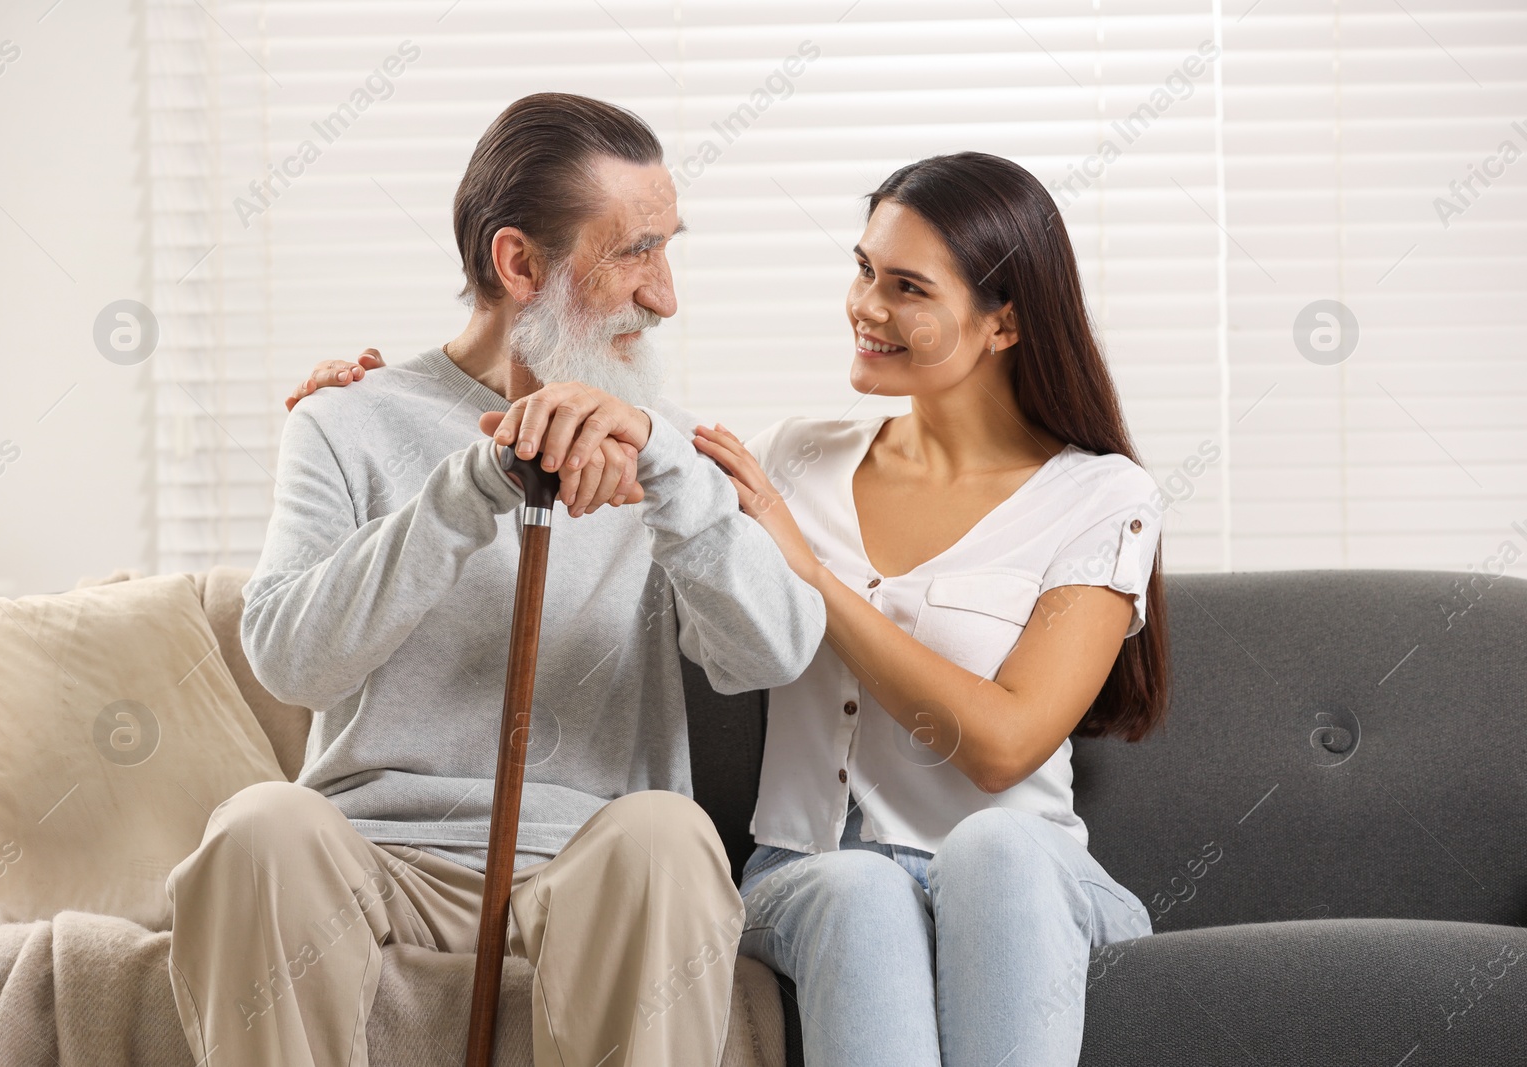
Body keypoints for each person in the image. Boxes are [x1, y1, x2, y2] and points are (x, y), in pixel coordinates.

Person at [298, 151, 1169, 1067]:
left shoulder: (1101, 496)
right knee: (856, 889)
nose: (867, 306)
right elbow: (596, 418)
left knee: (993, 849)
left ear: (1006, 323)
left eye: (907, 286)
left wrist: (810, 571)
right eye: (864, 268)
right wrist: (375, 397)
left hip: (1019, 875)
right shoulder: (786, 457)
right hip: (812, 870)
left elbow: (1003, 747)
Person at [166, 92, 826, 1067]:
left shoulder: (662, 446)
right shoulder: (345, 421)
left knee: (666, 833)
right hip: (375, 852)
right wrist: (466, 489)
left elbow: (772, 647)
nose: (665, 293)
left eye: (666, 247)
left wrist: (667, 470)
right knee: (259, 824)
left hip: (586, 858)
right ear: (519, 263)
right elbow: (289, 661)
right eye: (634, 252)